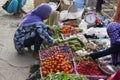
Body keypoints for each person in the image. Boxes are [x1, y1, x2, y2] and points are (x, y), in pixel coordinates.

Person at [13, 4, 57, 73]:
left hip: (19, 38)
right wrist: (53, 42)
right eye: (47, 15)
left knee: (42, 30)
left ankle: (29, 47)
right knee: (40, 35)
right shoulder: (37, 22)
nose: (48, 16)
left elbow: (35, 26)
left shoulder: (33, 15)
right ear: (43, 13)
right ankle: (36, 52)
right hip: (20, 42)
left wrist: (47, 26)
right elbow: (43, 34)